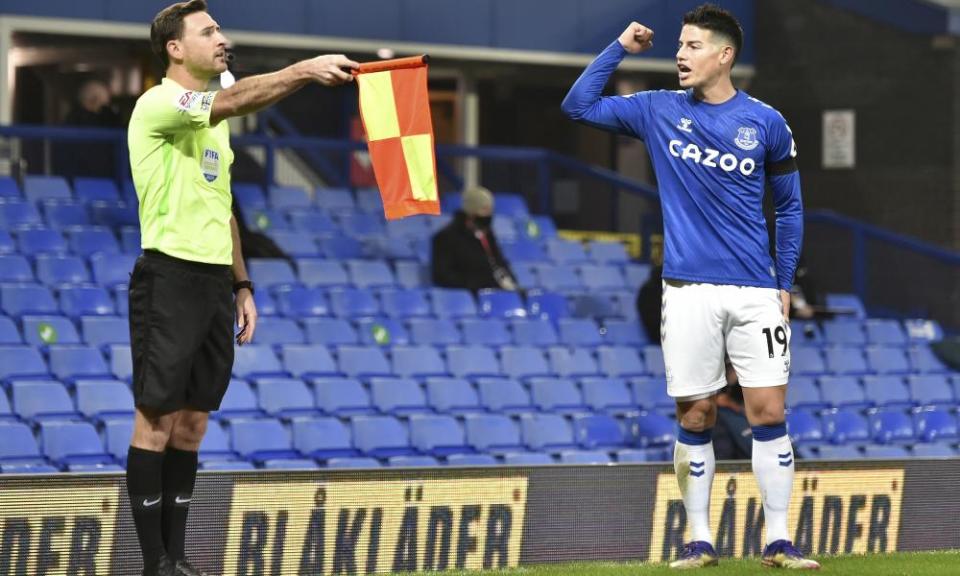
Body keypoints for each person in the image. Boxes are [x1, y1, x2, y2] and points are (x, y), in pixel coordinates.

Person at [563, 4, 819, 570]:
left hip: (754, 292)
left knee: (768, 410)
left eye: (694, 45)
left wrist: (783, 281)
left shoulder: (767, 122)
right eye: (679, 45)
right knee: (697, 414)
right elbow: (577, 105)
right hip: (686, 291)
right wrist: (619, 48)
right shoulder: (657, 110)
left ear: (725, 55)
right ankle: (699, 539)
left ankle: (779, 540)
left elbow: (792, 209)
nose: (680, 54)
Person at [125, 2, 358, 575]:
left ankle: (177, 559)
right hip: (168, 275)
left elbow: (223, 207)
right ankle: (154, 563)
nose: (221, 39)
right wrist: (304, 71)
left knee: (194, 421)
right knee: (156, 419)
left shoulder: (216, 130)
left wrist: (243, 284)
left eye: (221, 30)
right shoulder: (159, 103)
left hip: (211, 283)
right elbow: (229, 99)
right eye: (208, 32)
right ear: (175, 48)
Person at [431, 186, 519, 292]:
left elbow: (499, 261)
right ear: (471, 212)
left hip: (494, 290)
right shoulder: (447, 237)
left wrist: (511, 282)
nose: (488, 215)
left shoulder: (488, 234)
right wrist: (474, 284)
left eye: (490, 210)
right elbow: (442, 275)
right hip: (468, 294)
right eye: (484, 210)